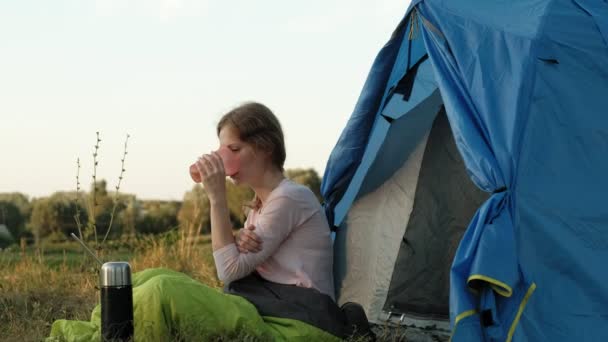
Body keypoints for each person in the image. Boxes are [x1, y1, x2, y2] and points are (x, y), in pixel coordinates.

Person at [48, 102, 373, 342]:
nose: (224, 158)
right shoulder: (262, 205)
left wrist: (216, 197)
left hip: (301, 322)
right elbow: (237, 264)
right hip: (270, 304)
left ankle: (107, 337)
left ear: (264, 148)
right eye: (222, 149)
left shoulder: (290, 198)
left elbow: (228, 271)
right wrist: (236, 239)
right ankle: (103, 332)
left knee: (162, 291)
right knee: (146, 276)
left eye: (233, 148)